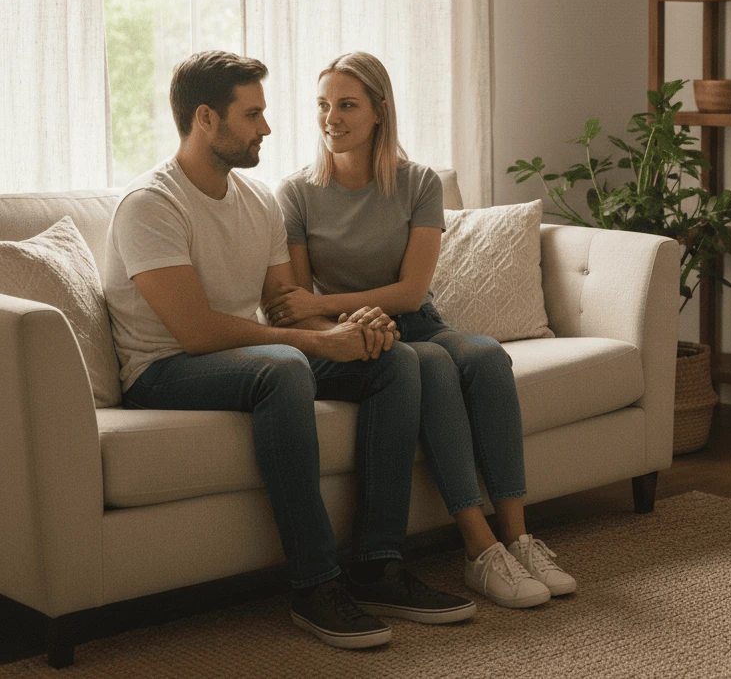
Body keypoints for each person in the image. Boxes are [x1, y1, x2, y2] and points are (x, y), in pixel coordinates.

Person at [103, 50, 476, 651]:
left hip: (240, 356)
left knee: (396, 359)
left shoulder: (257, 202)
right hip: (164, 370)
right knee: (280, 370)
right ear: (206, 119)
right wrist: (314, 342)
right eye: (252, 115)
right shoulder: (152, 204)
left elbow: (285, 301)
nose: (267, 129)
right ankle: (313, 583)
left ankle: (378, 565)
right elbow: (196, 332)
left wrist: (357, 328)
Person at [270, 51, 577, 609]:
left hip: (417, 322)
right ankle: (479, 549)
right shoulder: (296, 193)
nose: (330, 118)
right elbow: (296, 306)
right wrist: (342, 321)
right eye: (322, 105)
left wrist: (328, 299)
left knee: (485, 357)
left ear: (380, 111)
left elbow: (411, 292)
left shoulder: (417, 183)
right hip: (352, 337)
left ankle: (518, 536)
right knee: (432, 364)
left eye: (346, 105)